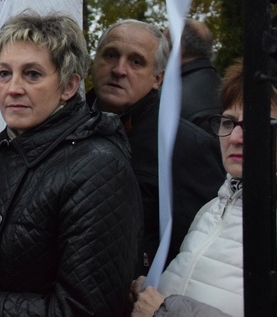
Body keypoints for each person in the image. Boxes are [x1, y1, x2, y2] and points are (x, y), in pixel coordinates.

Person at [0, 11, 142, 316]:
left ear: (69, 86)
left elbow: (83, 309)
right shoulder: (6, 144)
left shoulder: (100, 169)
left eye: (32, 74)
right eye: (5, 73)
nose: (13, 88)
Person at [131, 60, 277, 317]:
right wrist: (150, 292)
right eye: (228, 122)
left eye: (255, 123)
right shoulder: (211, 208)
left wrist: (164, 311)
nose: (234, 138)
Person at [88, 19, 225, 273]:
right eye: (110, 55)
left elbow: (201, 247)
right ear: (94, 62)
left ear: (158, 79)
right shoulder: (65, 128)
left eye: (136, 62)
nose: (119, 69)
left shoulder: (186, 146)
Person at [165, 19, 222, 136]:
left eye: (163, 49)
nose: (159, 57)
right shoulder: (229, 90)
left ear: (177, 50)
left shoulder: (167, 99)